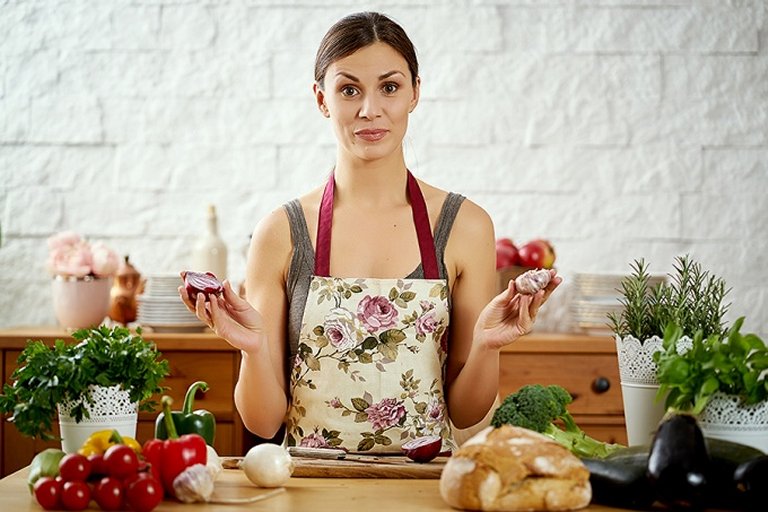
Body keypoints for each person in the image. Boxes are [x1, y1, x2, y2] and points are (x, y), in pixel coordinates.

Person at [180, 11, 560, 453]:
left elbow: (465, 412)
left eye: (390, 87)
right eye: (348, 90)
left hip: (424, 491)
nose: (370, 109)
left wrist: (488, 346)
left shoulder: (465, 226)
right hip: (311, 488)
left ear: (416, 93)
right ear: (322, 99)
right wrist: (252, 348)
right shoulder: (282, 232)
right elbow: (263, 424)